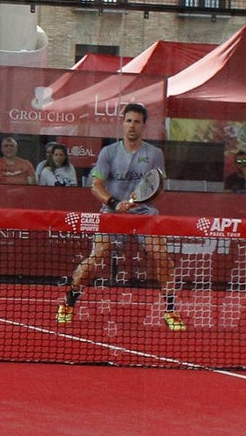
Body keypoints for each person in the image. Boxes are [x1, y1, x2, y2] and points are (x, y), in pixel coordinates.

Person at [56, 102, 185, 331]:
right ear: (122, 124)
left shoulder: (154, 154)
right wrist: (115, 203)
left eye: (136, 121)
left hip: (144, 214)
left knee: (162, 256)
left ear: (143, 125)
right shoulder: (109, 152)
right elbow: (95, 185)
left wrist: (143, 198)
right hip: (112, 214)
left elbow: (159, 186)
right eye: (128, 121)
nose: (131, 126)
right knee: (97, 257)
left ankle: (171, 311)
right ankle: (69, 302)